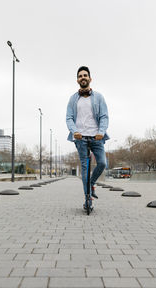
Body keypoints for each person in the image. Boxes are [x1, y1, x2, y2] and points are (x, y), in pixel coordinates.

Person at [66, 66, 109, 209]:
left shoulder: (99, 97)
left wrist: (101, 132)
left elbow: (104, 116)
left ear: (90, 79)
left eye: (85, 75)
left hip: (96, 137)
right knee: (85, 168)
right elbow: (69, 118)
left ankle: (91, 183)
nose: (82, 77)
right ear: (77, 80)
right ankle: (87, 199)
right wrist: (74, 131)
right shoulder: (73, 99)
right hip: (80, 138)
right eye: (80, 76)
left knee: (102, 163)